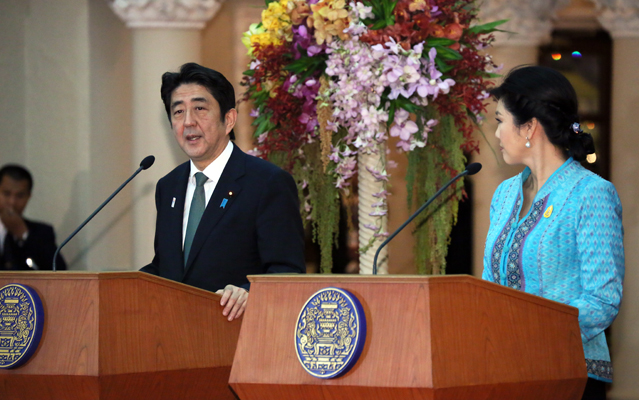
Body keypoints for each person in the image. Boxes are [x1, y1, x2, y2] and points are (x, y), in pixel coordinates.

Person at [482, 66, 624, 400]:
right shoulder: (504, 194)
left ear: (529, 126)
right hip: (501, 370)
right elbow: (488, 287)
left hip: (567, 374)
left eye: (501, 121)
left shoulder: (590, 193)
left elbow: (602, 299)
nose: (497, 133)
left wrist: (532, 337)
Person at [141, 63, 305, 321]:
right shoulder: (168, 186)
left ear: (228, 119)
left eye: (200, 109)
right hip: (173, 338)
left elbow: (288, 272)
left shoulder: (267, 182)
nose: (188, 122)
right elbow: (167, 267)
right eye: (178, 111)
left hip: (236, 335)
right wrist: (123, 284)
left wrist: (249, 292)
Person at [0, 164, 67, 271]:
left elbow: (59, 271)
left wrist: (23, 233)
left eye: (20, 196)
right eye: (6, 194)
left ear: (28, 197)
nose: (12, 202)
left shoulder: (42, 232)